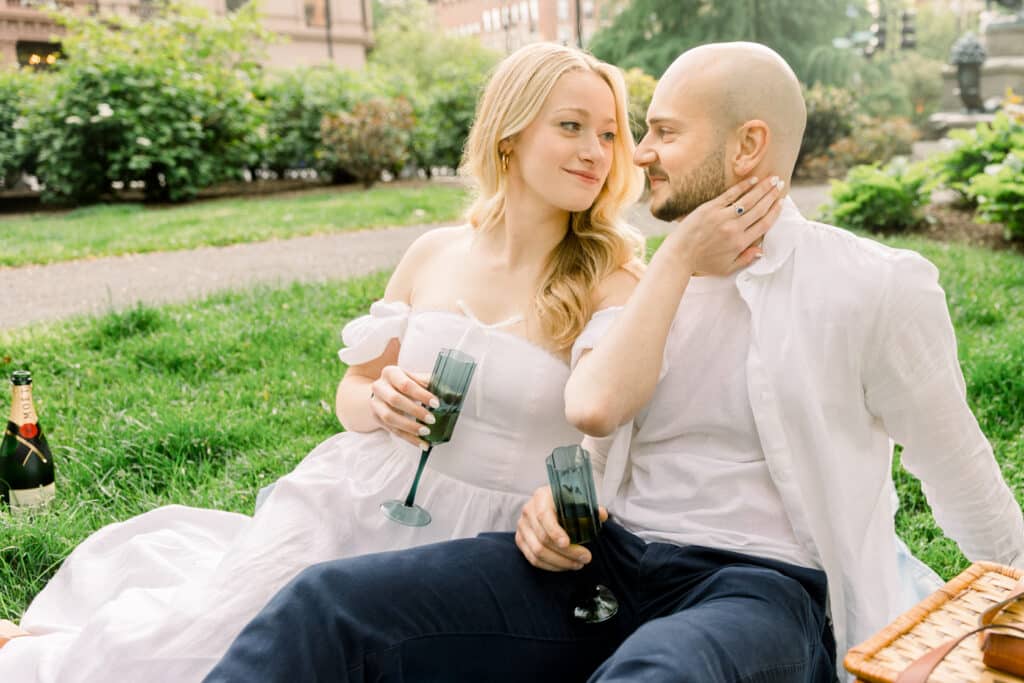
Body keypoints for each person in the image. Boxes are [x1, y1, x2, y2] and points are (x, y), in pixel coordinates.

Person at [204, 42, 1024, 683]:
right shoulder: (642, 281)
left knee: (653, 673)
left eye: (663, 130)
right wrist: (554, 501)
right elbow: (594, 414)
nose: (637, 150)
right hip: (605, 560)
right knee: (328, 602)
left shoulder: (875, 287)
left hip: (762, 586)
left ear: (748, 147)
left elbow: (957, 465)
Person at [0, 43, 749, 683]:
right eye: (572, 126)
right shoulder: (433, 253)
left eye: (611, 134)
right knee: (218, 615)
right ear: (510, 136)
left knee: (301, 638)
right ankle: (56, 656)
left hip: (483, 533)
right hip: (359, 486)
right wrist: (379, 398)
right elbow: (352, 391)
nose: (596, 151)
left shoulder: (612, 277)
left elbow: (609, 432)